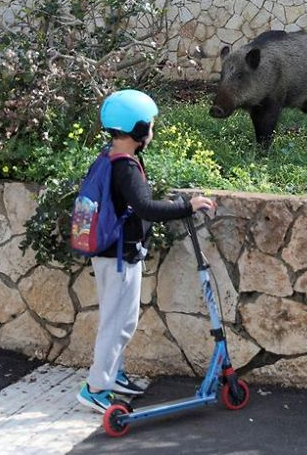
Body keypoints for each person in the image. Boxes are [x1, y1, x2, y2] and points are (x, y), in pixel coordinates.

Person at [76, 89, 216, 413]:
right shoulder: (125, 167)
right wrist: (186, 206)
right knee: (120, 323)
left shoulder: (109, 154)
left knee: (115, 318)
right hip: (120, 256)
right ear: (138, 130)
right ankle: (96, 388)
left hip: (110, 252)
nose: (152, 131)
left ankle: (113, 374)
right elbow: (146, 208)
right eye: (150, 125)